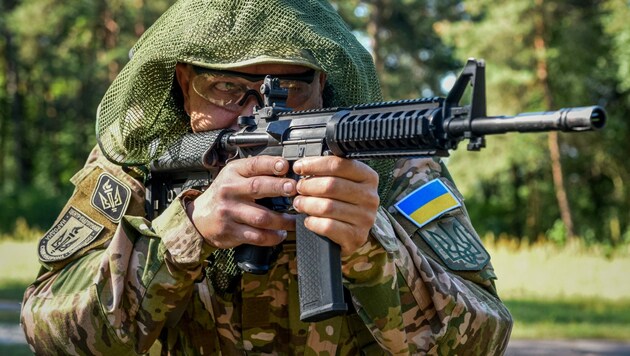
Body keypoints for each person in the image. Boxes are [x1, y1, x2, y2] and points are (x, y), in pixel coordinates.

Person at [21, 0, 513, 354]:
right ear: (184, 84)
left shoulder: (393, 169)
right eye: (228, 88)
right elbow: (50, 330)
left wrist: (372, 247)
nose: (256, 113)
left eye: (288, 90)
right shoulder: (139, 164)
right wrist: (184, 235)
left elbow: (484, 338)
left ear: (323, 83)